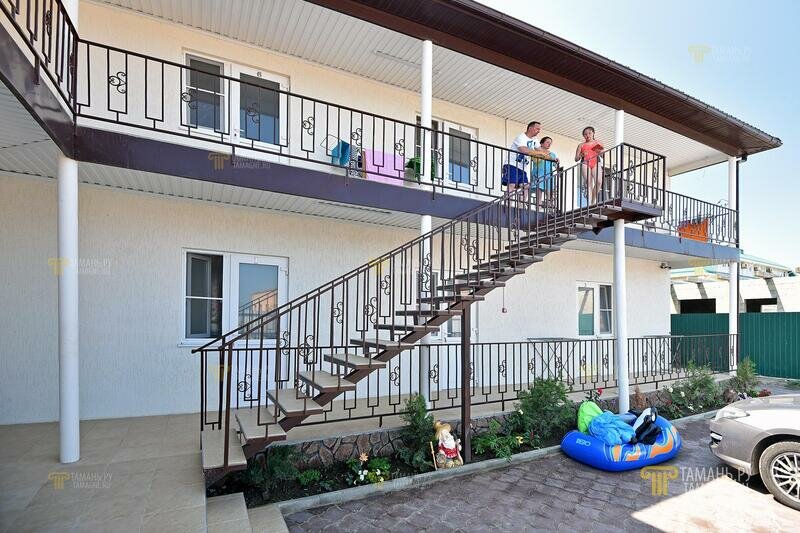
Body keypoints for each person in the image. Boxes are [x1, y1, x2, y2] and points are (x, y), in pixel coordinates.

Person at [503, 121, 550, 200]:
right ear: (530, 128)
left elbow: (541, 151)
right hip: (512, 164)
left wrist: (553, 158)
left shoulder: (535, 140)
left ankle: (521, 205)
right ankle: (508, 204)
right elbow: (523, 149)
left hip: (523, 168)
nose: (539, 131)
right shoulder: (521, 137)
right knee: (512, 184)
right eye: (537, 129)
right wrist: (539, 153)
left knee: (525, 186)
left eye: (539, 129)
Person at [574, 126, 604, 206]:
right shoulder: (581, 145)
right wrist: (581, 155)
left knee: (599, 181)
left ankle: (593, 200)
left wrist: (600, 152)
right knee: (589, 182)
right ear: (583, 136)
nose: (587, 135)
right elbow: (576, 159)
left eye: (589, 133)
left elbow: (603, 155)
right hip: (585, 162)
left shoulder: (597, 142)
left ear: (593, 133)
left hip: (596, 162)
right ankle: (590, 204)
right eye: (585, 134)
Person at [533, 136, 559, 208]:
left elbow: (555, 165)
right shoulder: (536, 151)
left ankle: (549, 205)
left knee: (549, 190)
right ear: (541, 143)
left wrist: (557, 163)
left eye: (550, 143)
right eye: (547, 142)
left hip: (548, 174)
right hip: (538, 173)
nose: (549, 144)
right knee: (539, 189)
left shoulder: (552, 154)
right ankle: (538, 206)